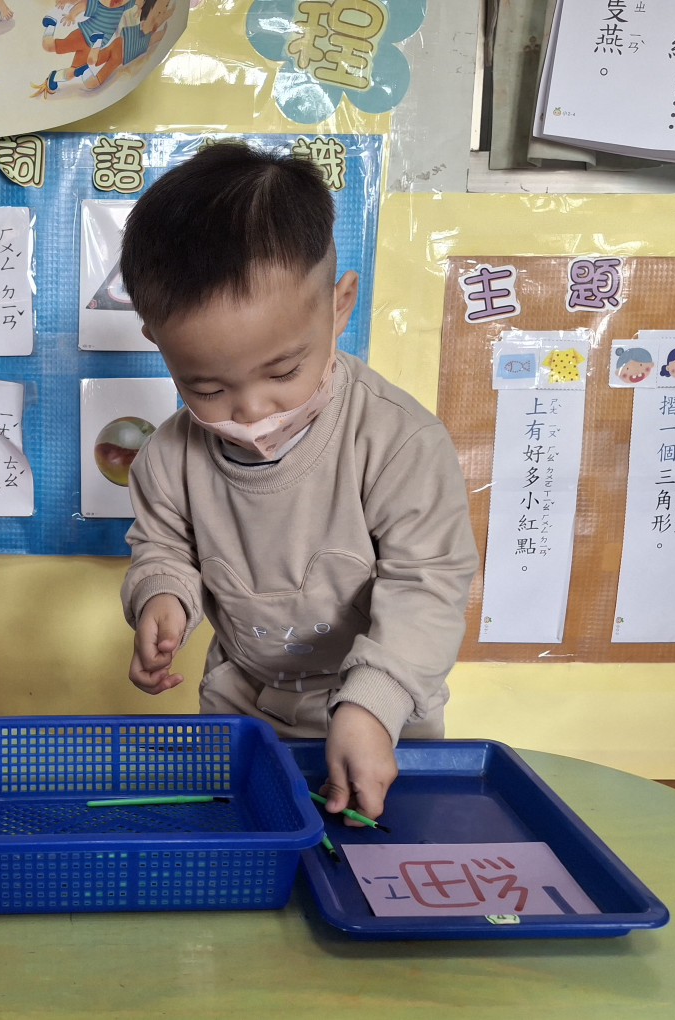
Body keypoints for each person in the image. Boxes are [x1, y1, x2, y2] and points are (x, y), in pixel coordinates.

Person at [118, 142, 478, 825]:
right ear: (157, 341)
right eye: (207, 387)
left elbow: (427, 584)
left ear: (339, 306)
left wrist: (372, 705)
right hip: (243, 710)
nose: (252, 409)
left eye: (283, 372)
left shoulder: (397, 440)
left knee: (373, 859)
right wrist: (162, 595)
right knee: (248, 856)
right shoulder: (168, 458)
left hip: (384, 717)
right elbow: (163, 548)